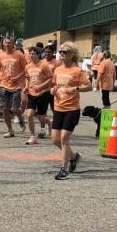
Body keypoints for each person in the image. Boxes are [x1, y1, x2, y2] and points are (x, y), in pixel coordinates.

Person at [50, 42, 91, 180]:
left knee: (64, 139)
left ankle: (63, 169)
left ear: (72, 54)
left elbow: (88, 86)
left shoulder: (78, 71)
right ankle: (74, 157)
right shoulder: (57, 70)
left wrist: (76, 89)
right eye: (60, 52)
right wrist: (53, 90)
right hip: (58, 107)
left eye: (65, 52)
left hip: (72, 109)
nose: (62, 54)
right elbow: (55, 85)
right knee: (55, 140)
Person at [0, 37, 27, 138]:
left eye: (9, 42)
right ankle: (10, 130)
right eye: (6, 42)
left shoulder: (19, 55)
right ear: (2, 44)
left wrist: (18, 77)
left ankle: (21, 119)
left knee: (14, 109)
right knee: (4, 109)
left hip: (17, 85)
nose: (7, 44)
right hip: (3, 85)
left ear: (13, 44)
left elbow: (26, 69)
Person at [24, 46, 52, 144]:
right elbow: (27, 78)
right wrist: (26, 87)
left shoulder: (43, 65)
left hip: (43, 93)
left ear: (38, 54)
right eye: (30, 53)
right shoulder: (27, 66)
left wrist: (41, 86)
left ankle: (49, 123)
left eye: (33, 53)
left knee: (41, 117)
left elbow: (50, 78)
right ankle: (33, 137)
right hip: (31, 93)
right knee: (29, 115)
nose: (31, 55)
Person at [42, 45, 61, 112]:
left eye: (49, 52)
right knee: (43, 108)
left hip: (53, 88)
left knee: (54, 107)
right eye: (46, 52)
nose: (47, 54)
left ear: (53, 52)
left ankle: (56, 121)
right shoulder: (41, 62)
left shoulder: (57, 63)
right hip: (44, 88)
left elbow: (59, 75)